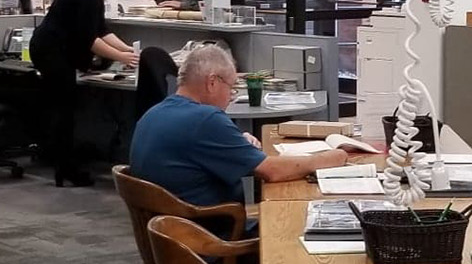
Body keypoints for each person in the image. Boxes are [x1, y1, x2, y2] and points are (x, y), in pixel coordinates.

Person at [130, 45, 351, 210]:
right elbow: (272, 171)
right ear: (212, 82)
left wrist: (234, 140)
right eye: (232, 87)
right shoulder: (206, 119)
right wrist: (330, 158)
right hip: (214, 242)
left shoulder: (155, 113)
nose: (232, 96)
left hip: (175, 239)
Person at [31, 0, 141, 187]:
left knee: (66, 107)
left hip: (54, 49)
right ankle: (66, 168)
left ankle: (65, 166)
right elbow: (88, 39)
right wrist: (122, 57)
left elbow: (100, 29)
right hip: (52, 51)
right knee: (64, 109)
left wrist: (128, 50)